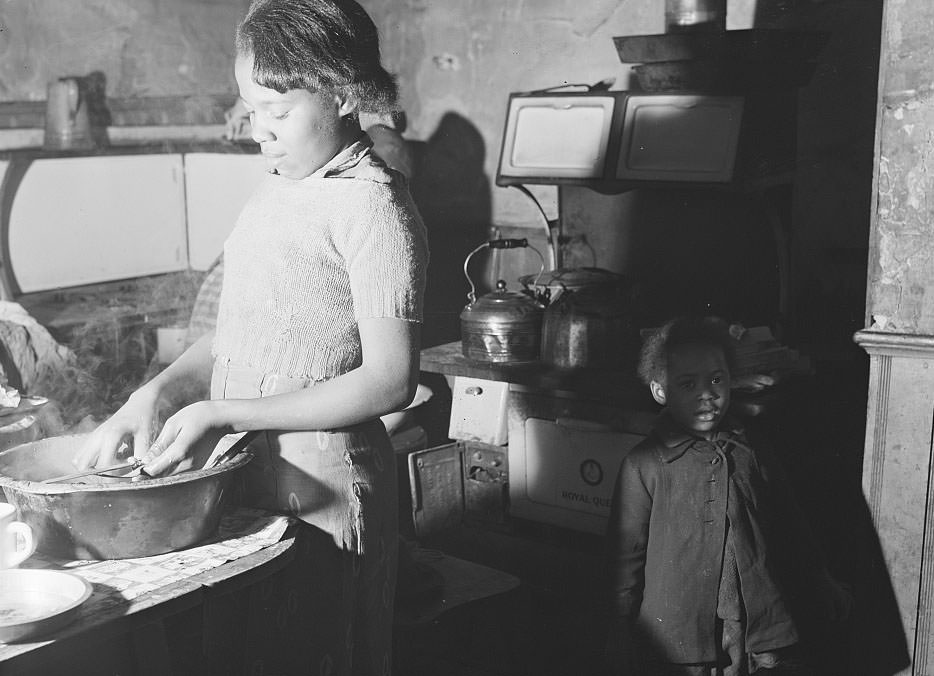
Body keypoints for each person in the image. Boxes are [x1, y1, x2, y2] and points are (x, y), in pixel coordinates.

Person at [75, 0, 428, 672]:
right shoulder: (273, 190)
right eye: (249, 108)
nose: (257, 131)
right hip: (244, 471)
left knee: (317, 654)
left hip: (321, 483)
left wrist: (223, 411)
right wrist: (153, 394)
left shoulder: (374, 208)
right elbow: (235, 336)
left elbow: (391, 380)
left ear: (343, 91)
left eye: (277, 110)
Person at [605, 316, 849, 676]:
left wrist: (820, 579)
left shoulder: (751, 450)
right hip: (680, 626)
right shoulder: (645, 464)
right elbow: (625, 555)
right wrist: (617, 625)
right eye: (688, 384)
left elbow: (790, 522)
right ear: (660, 391)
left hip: (753, 618)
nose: (707, 394)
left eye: (717, 380)